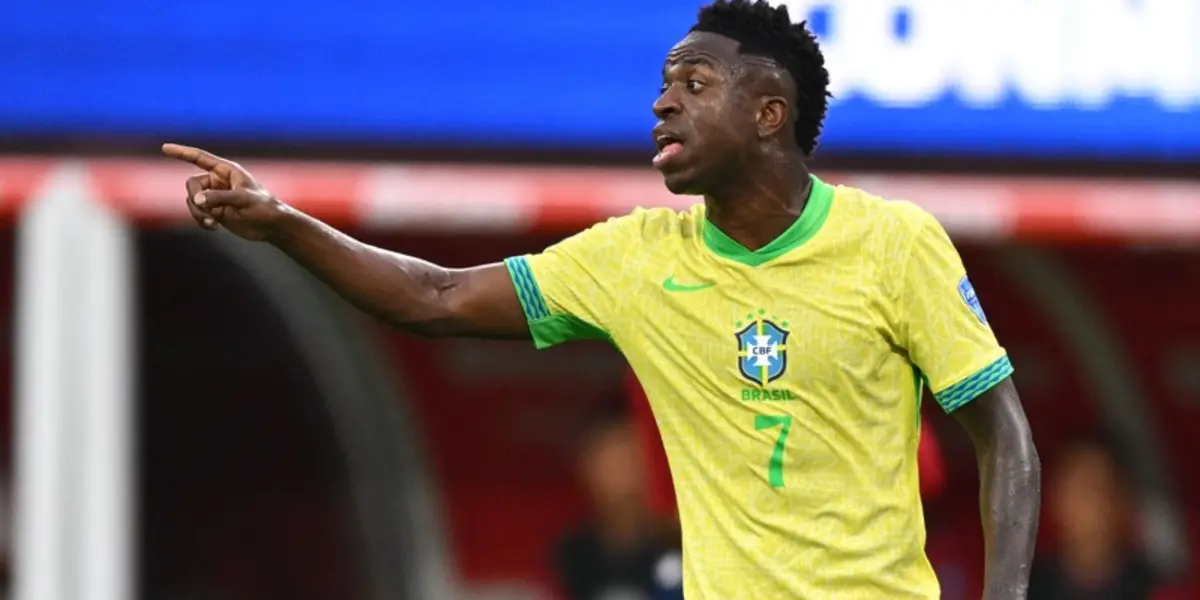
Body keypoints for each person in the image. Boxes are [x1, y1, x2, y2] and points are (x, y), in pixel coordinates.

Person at [162, 1, 1041, 597]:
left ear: (771, 113)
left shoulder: (894, 243)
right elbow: (434, 296)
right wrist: (282, 223)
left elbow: (1001, 430)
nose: (662, 104)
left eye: (694, 84)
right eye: (664, 85)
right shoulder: (636, 259)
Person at [553, 408, 682, 600]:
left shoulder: (680, 548)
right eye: (612, 461)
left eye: (632, 458)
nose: (624, 474)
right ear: (586, 467)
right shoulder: (567, 557)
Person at [1029, 433, 1171, 600]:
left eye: (1097, 487)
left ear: (1123, 500)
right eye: (1076, 488)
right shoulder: (1024, 585)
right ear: (1056, 497)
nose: (1086, 504)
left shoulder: (1157, 590)